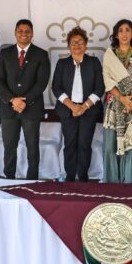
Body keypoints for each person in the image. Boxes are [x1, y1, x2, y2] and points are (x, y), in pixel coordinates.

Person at [0, 19, 50, 180]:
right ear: (15, 33)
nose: (24, 34)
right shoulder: (4, 54)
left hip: (31, 108)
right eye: (20, 31)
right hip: (8, 108)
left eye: (27, 31)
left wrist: (25, 101)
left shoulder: (41, 54)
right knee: (9, 147)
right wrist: (13, 99)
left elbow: (42, 82)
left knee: (32, 147)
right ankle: (9, 179)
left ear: (32, 34)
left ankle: (32, 179)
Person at [52, 27, 104, 182]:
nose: (77, 45)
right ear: (68, 45)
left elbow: (99, 87)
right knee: (70, 144)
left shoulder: (94, 62)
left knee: (84, 144)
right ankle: (69, 175)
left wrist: (84, 106)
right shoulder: (62, 64)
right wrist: (72, 106)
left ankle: (83, 176)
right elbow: (56, 87)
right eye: (73, 42)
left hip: (88, 111)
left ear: (86, 44)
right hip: (68, 111)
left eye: (80, 42)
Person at [102, 20, 132, 183]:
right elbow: (107, 79)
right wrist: (122, 98)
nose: (124, 34)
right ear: (116, 34)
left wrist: (131, 101)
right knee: (112, 146)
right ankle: (113, 183)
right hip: (114, 106)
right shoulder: (109, 54)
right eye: (120, 30)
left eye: (127, 30)